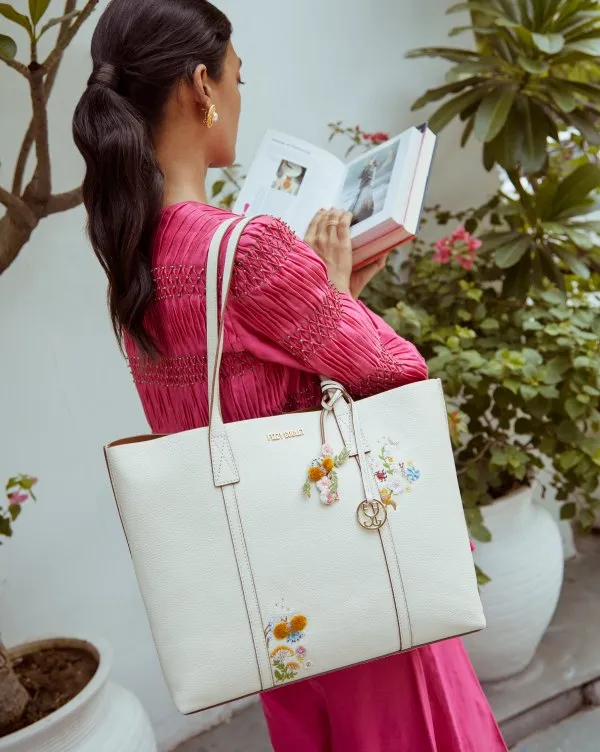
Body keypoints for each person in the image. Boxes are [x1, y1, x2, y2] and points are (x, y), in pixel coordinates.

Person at [72, 1, 507, 750]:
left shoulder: (134, 256)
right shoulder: (248, 249)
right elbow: (397, 373)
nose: (242, 94)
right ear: (200, 87)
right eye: (237, 77)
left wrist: (328, 304)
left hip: (276, 617)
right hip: (360, 589)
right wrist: (330, 297)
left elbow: (234, 396)